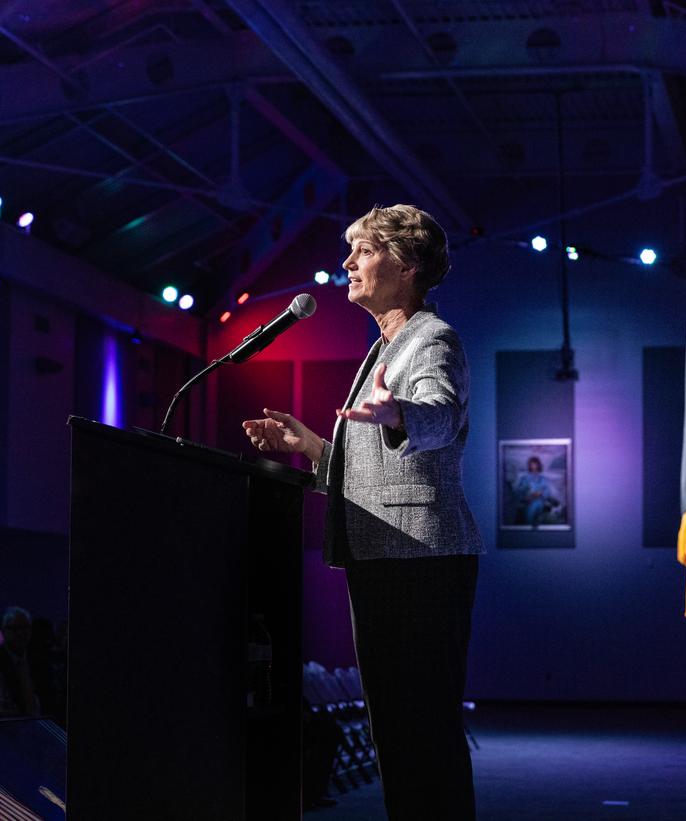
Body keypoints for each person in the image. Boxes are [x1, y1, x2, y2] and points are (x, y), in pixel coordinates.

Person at [243, 204, 482, 820]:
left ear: (404, 266)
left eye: (364, 251)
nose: (347, 263)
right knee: (398, 734)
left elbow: (442, 412)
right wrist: (314, 451)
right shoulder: (384, 349)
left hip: (419, 560)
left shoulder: (431, 339)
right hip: (387, 554)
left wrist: (403, 414)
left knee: (420, 733)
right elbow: (377, 466)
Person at [0, 607, 42, 716]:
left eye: (25, 627)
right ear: (3, 631)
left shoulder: (38, 659)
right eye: (14, 628)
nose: (20, 633)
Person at [513, 455, 560, 526]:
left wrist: (541, 494)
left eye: (535, 465)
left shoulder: (543, 479)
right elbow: (520, 491)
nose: (534, 467)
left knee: (537, 504)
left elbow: (547, 492)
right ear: (529, 466)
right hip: (528, 500)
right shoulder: (525, 478)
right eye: (532, 465)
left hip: (540, 500)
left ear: (538, 465)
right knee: (531, 507)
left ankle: (534, 523)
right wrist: (528, 495)